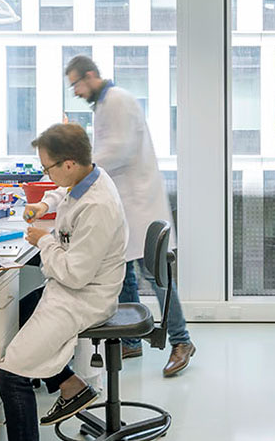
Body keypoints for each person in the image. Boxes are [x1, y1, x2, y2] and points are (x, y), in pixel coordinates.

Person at [0, 122, 128, 441]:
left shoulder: (98, 206)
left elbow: (75, 275)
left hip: (84, 297)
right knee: (21, 312)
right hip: (70, 288)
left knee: (11, 373)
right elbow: (62, 194)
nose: (45, 174)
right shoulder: (86, 178)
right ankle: (71, 385)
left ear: (68, 164)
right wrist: (42, 206)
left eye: (47, 168)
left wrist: (43, 240)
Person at [64, 54, 196, 377]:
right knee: (123, 273)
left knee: (156, 277)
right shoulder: (104, 104)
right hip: (126, 206)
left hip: (139, 204)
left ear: (90, 75)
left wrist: (82, 167)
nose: (76, 92)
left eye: (76, 85)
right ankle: (131, 341)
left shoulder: (117, 100)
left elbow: (118, 151)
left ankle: (181, 341)